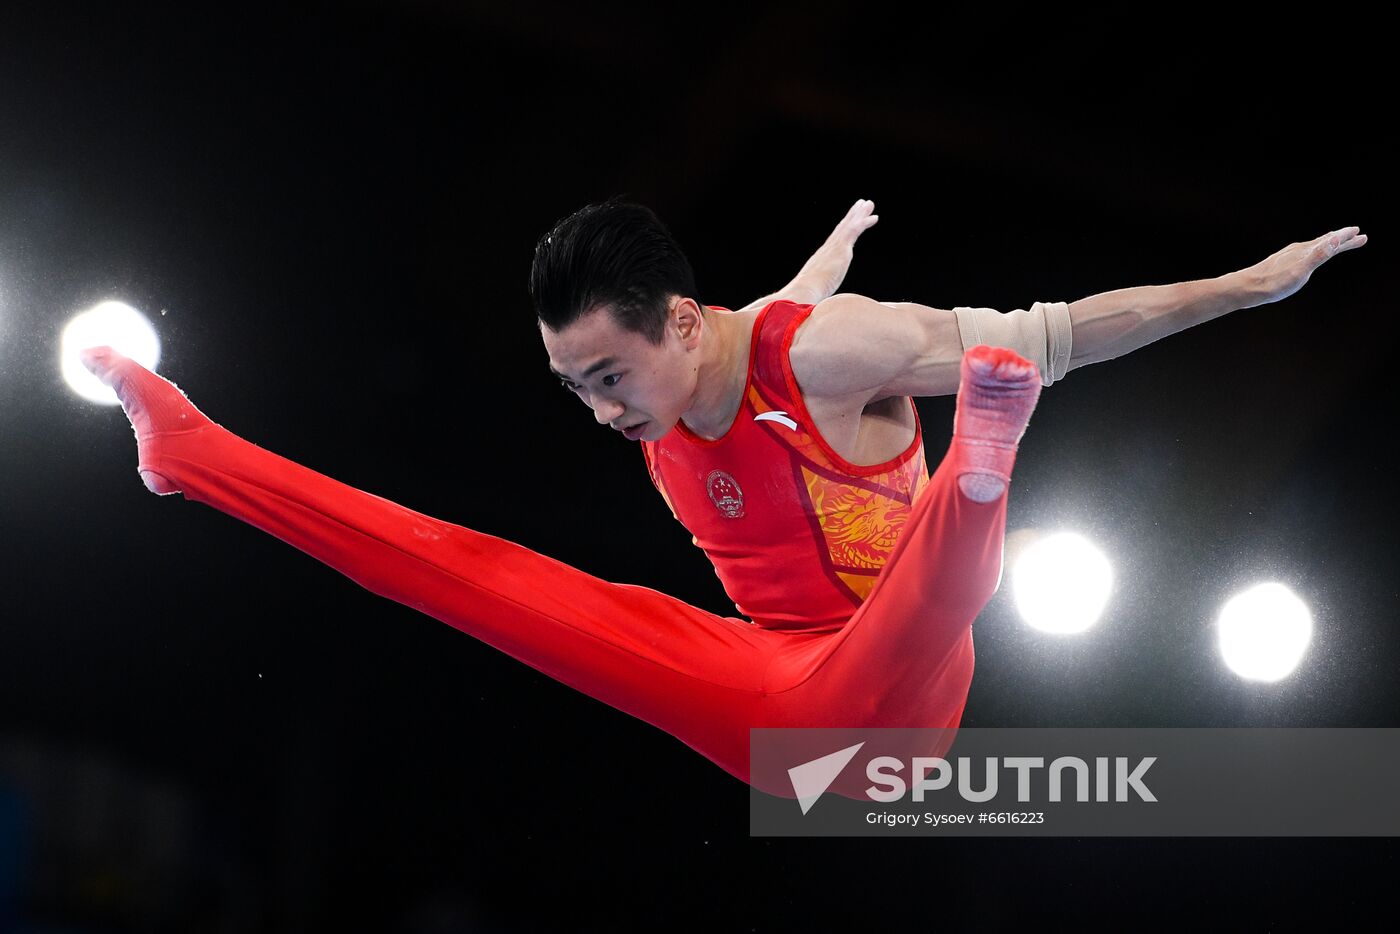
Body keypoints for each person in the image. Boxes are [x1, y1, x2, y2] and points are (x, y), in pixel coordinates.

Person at [80, 199, 1365, 795]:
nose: (596, 411)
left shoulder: (828, 349)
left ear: (679, 322)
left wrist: (1242, 287)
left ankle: (982, 472)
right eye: (569, 383)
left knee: (940, 563)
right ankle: (192, 451)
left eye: (606, 374)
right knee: (477, 577)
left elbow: (1066, 329)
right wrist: (826, 246)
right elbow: (738, 352)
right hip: (766, 689)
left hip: (901, 716)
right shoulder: (701, 352)